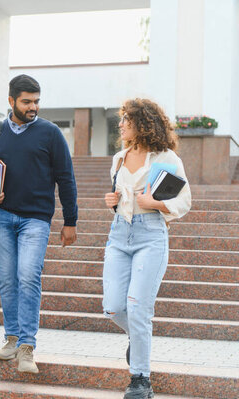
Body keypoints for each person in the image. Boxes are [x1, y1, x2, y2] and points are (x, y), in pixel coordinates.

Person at [0, 74, 78, 374]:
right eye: (27, 102)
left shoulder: (51, 133)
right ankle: (12, 338)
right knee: (7, 280)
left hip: (36, 219)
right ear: (11, 101)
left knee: (28, 276)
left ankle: (27, 347)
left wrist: (70, 220)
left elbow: (66, 179)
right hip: (1, 217)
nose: (33, 107)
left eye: (36, 101)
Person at [103, 98, 191, 399]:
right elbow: (119, 200)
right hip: (119, 236)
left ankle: (140, 379)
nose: (121, 124)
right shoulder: (118, 158)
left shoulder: (166, 158)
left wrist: (156, 204)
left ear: (143, 122)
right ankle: (138, 336)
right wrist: (111, 203)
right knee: (113, 306)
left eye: (126, 119)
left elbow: (184, 201)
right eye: (121, 119)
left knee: (139, 309)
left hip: (151, 235)